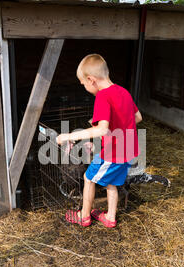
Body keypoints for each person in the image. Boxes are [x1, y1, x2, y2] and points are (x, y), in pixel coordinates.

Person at [56, 54, 142, 228]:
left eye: (84, 84)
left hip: (113, 153)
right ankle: (110, 217)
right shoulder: (123, 91)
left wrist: (68, 136)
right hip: (129, 150)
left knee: (89, 178)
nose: (85, 87)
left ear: (91, 80)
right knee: (112, 183)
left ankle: (84, 216)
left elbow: (102, 129)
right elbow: (137, 117)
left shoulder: (103, 96)